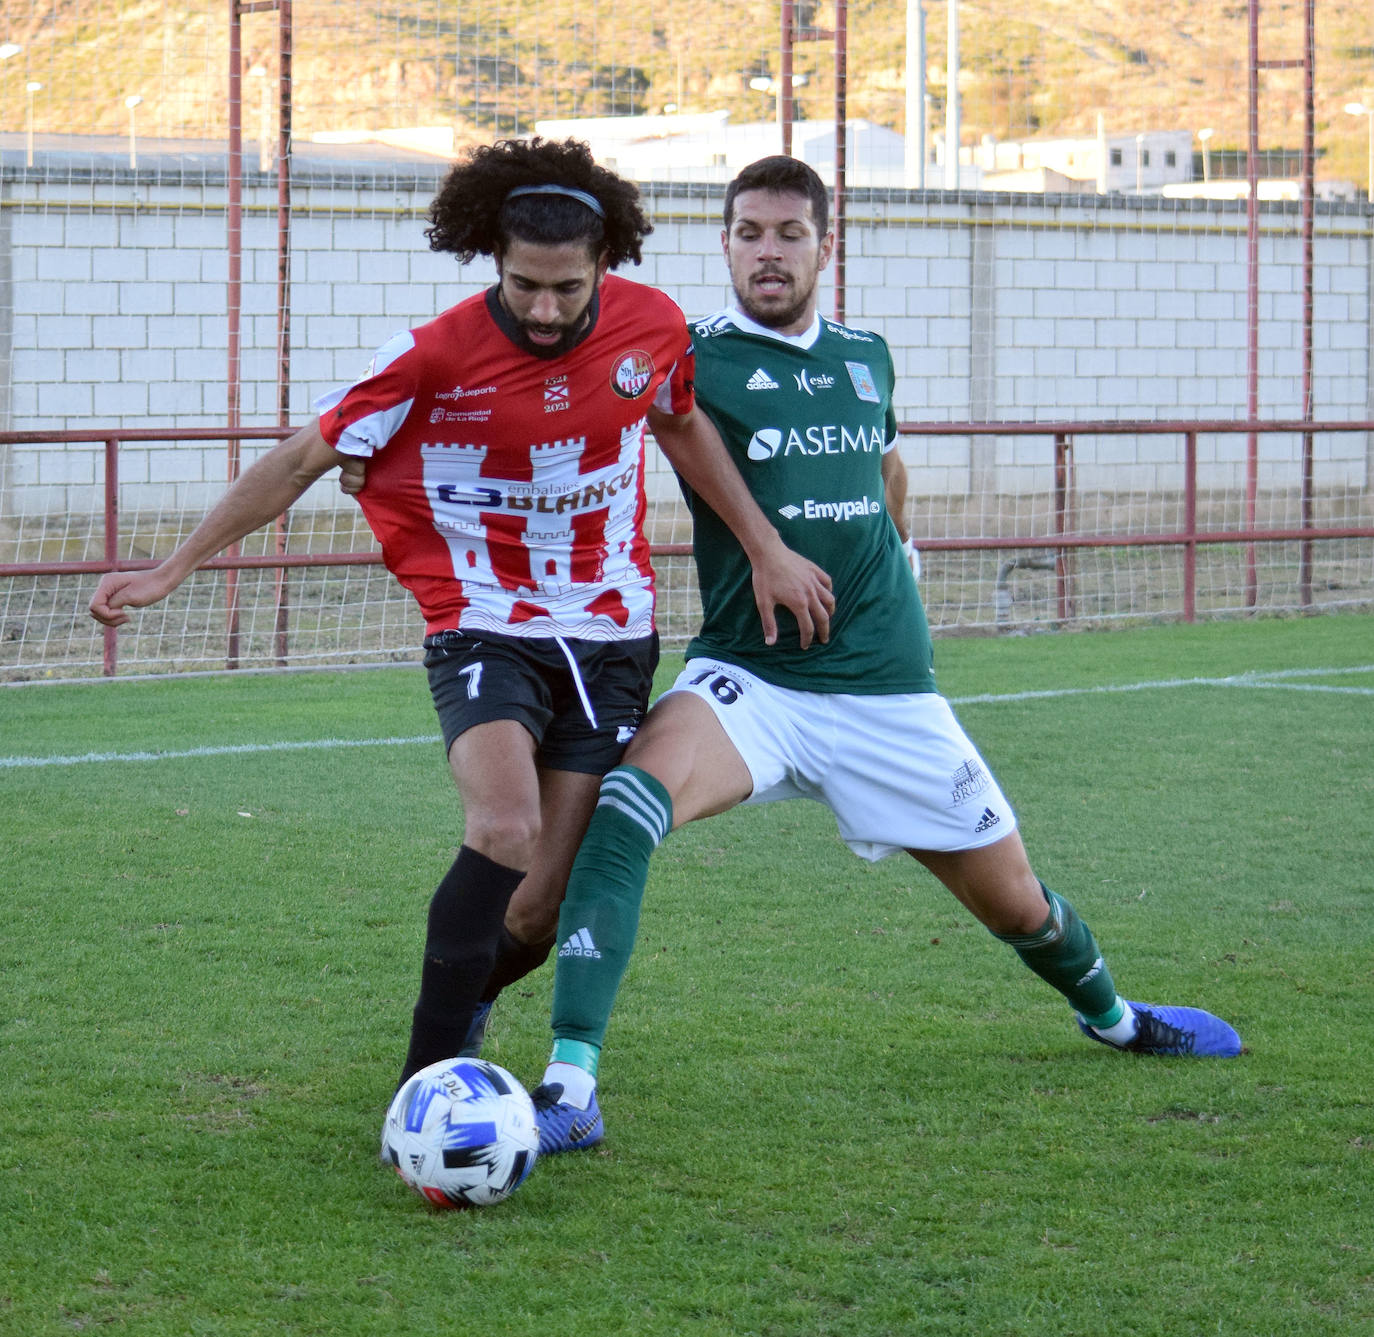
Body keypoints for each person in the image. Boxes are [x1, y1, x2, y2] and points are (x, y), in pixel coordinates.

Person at [479, 153, 1239, 1155]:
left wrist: (903, 550)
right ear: (726, 244)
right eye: (748, 231)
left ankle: (1117, 1017)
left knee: (1016, 901)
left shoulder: (867, 355)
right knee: (627, 805)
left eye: (789, 233)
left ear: (827, 245)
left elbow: (884, 460)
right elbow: (583, 389)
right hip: (755, 679)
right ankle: (571, 1083)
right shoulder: (689, 354)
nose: (767, 251)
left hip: (887, 685)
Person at [89, 138, 834, 1096]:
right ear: (496, 258)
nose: (546, 309)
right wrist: (173, 568)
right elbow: (298, 460)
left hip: (612, 632)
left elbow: (680, 420)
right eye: (525, 285)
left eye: (568, 288)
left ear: (605, 263)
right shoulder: (435, 351)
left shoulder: (651, 327)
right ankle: (427, 1080)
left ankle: (462, 1005)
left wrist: (766, 545)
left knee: (535, 909)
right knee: (505, 823)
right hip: (482, 619)